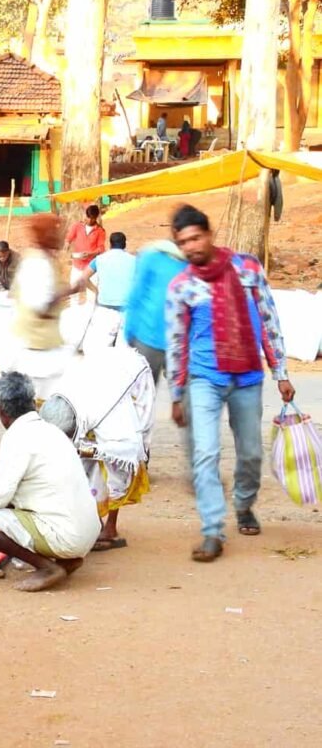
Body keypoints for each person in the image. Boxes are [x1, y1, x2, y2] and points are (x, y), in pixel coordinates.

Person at [165, 205, 295, 562]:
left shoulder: (247, 267)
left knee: (251, 453)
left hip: (248, 377)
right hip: (204, 378)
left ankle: (244, 504)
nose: (191, 246)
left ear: (209, 234)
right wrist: (177, 394)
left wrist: (280, 371)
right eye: (183, 242)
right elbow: (177, 342)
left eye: (195, 237)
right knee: (206, 453)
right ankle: (212, 531)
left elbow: (268, 319)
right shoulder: (182, 286)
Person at [0, 372, 101, 592]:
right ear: (32, 403)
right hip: (87, 532)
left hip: (66, 536)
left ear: (1, 411)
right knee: (2, 506)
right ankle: (67, 560)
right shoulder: (51, 430)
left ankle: (47, 567)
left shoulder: (17, 436)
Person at [40, 346, 155, 551]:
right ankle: (93, 523)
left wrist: (88, 450)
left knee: (112, 469)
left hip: (132, 378)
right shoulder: (60, 396)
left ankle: (110, 528)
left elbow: (126, 450)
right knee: (80, 466)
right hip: (101, 369)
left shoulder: (114, 418)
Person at [0, 213, 72, 400]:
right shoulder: (38, 264)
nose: (62, 236)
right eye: (57, 231)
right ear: (47, 235)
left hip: (41, 346)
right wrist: (69, 290)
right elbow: (39, 304)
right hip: (36, 351)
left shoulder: (43, 260)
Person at [122, 239, 188, 382]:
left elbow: (135, 295)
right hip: (149, 340)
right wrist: (129, 331)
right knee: (144, 393)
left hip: (174, 343)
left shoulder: (195, 264)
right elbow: (136, 295)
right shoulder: (152, 257)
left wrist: (128, 333)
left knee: (147, 394)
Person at [69, 231, 137, 349]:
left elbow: (83, 278)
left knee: (103, 348)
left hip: (105, 308)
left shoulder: (99, 259)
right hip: (128, 308)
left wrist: (95, 290)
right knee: (125, 350)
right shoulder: (135, 260)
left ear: (110, 244)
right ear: (124, 244)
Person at [65, 205, 106, 294]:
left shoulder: (100, 231)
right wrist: (67, 245)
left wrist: (90, 254)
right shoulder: (77, 226)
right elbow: (68, 238)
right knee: (73, 294)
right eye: (88, 217)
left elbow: (101, 249)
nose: (89, 220)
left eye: (92, 218)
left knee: (92, 295)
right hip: (77, 265)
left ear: (96, 218)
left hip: (91, 267)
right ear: (85, 215)